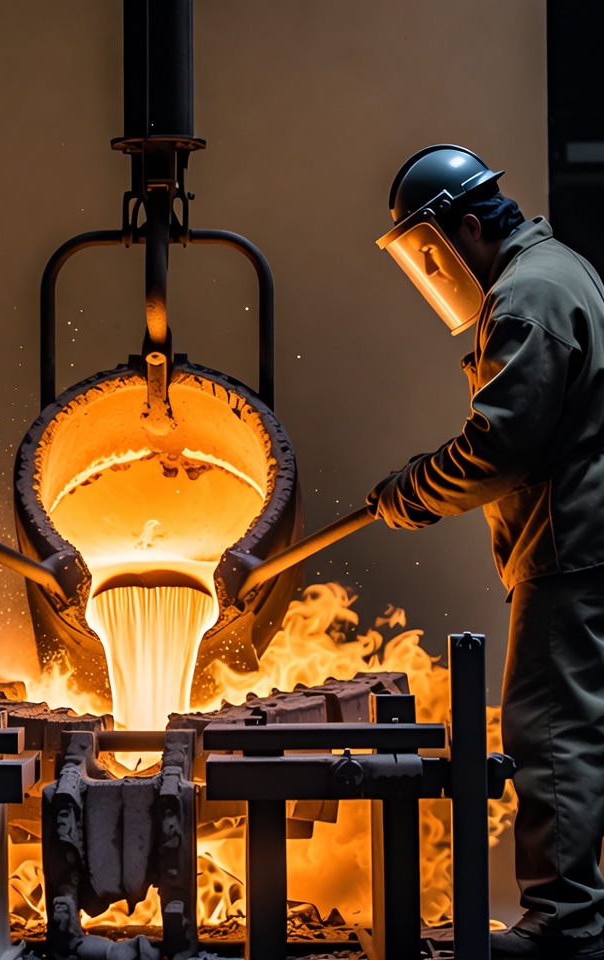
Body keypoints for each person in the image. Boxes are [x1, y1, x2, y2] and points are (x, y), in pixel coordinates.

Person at [367, 143, 604, 959]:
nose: (437, 274)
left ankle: (566, 928)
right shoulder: (558, 271)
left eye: (435, 255)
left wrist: (410, 493)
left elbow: (501, 447)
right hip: (580, 538)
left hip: (572, 546)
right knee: (580, 730)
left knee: (552, 733)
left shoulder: (527, 295)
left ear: (468, 227)